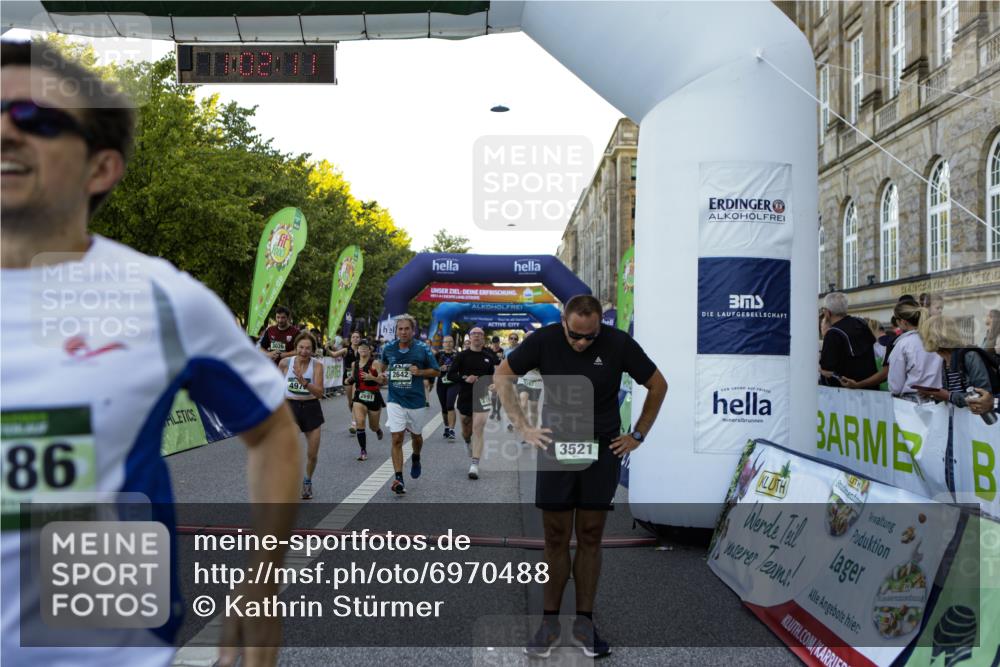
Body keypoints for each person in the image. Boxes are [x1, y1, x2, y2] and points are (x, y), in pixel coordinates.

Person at [0, 41, 300, 667]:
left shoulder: (161, 299)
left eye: (37, 117)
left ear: (101, 168)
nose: (6, 127)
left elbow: (275, 431)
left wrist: (261, 585)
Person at [494, 295, 668, 659]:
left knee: (590, 536)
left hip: (601, 448)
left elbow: (658, 385)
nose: (582, 343)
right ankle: (549, 622)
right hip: (556, 447)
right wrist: (524, 427)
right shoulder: (543, 341)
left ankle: (585, 623)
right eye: (575, 336)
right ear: (563, 322)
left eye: (590, 337)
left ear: (599, 326)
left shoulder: (618, 342)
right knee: (555, 537)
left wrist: (638, 434)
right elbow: (503, 376)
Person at [378, 315, 439, 495]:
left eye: (406, 329)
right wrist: (380, 375)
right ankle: (398, 478)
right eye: (400, 329)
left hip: (416, 401)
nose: (403, 332)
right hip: (395, 399)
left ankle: (416, 457)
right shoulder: (388, 348)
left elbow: (436, 371)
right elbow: (381, 367)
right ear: (396, 330)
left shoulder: (422, 349)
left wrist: (419, 371)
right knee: (396, 437)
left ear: (413, 331)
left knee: (416, 437)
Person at [447, 328, 500, 479]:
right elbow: (451, 374)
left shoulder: (489, 356)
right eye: (474, 334)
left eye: (480, 334)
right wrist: (464, 378)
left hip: (482, 396)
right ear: (470, 338)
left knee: (478, 428)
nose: (477, 336)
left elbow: (493, 375)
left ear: (483, 338)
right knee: (466, 428)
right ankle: (466, 440)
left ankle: (475, 465)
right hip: (465, 395)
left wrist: (493, 384)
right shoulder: (462, 356)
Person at [279, 333, 326, 499]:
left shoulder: (317, 366)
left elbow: (320, 393)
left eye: (308, 348)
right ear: (296, 347)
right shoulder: (285, 363)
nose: (304, 351)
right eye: (301, 347)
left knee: (312, 455)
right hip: (290, 407)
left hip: (311, 408)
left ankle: (307, 480)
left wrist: (304, 382)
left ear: (313, 350)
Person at [916, 316, 995, 413]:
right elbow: (952, 394)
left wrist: (948, 395)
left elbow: (983, 398)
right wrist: (934, 395)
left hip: (976, 423)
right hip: (958, 421)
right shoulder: (945, 360)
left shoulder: (969, 356)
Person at [884, 302, 943, 400]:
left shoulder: (902, 344)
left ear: (903, 322)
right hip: (940, 399)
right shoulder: (937, 340)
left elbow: (896, 387)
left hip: (912, 403)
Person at [819, 292, 877, 386]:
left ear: (827, 312)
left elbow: (826, 369)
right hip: (869, 386)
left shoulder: (833, 333)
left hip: (846, 390)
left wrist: (825, 335)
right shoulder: (861, 323)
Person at [345, 339, 385, 461]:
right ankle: (363, 450)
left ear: (369, 350)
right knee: (360, 422)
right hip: (359, 396)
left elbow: (381, 381)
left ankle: (377, 429)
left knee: (372, 426)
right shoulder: (354, 364)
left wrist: (371, 377)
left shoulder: (375, 363)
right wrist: (348, 381)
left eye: (365, 347)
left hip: (374, 396)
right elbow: (353, 377)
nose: (362, 349)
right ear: (358, 350)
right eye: (360, 347)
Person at [329, 331, 361, 432]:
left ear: (360, 339)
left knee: (355, 399)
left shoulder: (362, 350)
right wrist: (326, 348)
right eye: (353, 337)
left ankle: (354, 423)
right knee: (350, 402)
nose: (355, 339)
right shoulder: (346, 350)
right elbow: (334, 355)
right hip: (347, 377)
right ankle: (355, 416)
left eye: (357, 337)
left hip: (358, 377)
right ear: (351, 339)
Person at [434, 335, 460, 441]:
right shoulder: (438, 355)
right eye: (446, 342)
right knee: (444, 408)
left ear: (453, 343)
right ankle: (446, 426)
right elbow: (433, 368)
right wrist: (439, 369)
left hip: (454, 383)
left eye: (450, 342)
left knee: (450, 405)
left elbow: (462, 368)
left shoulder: (458, 355)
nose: (448, 344)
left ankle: (452, 430)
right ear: (443, 344)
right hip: (441, 383)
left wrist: (448, 368)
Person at [489, 335, 506, 421]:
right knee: (493, 394)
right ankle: (493, 410)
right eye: (494, 343)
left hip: (501, 375)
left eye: (497, 343)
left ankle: (498, 411)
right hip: (492, 375)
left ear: (499, 343)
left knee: (499, 395)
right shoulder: (489, 351)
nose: (495, 345)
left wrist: (502, 358)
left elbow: (505, 362)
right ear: (492, 343)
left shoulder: (503, 351)